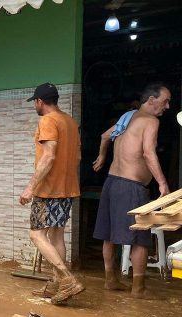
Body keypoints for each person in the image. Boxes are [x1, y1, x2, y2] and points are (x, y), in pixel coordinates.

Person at [92, 82, 172, 299]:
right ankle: (138, 288)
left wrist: (101, 156)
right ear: (151, 100)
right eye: (165, 101)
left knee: (108, 236)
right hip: (131, 186)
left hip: (111, 182)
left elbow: (104, 136)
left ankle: (111, 280)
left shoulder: (127, 116)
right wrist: (162, 183)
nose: (167, 107)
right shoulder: (150, 121)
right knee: (140, 238)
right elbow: (148, 153)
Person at [18, 83, 84, 305]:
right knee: (56, 235)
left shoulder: (47, 120)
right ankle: (57, 285)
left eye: (35, 102)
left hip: (48, 190)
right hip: (67, 187)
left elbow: (48, 156)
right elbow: (77, 157)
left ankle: (66, 279)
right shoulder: (70, 122)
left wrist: (31, 187)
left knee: (36, 235)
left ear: (39, 101)